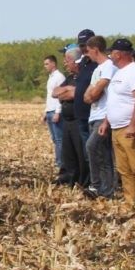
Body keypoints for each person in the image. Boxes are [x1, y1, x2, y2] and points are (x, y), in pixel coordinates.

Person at [105, 39, 135, 208]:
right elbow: (114, 100)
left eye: (112, 52)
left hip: (129, 127)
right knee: (123, 168)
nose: (110, 55)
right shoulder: (118, 72)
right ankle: (130, 200)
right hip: (116, 127)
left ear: (119, 54)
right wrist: (106, 121)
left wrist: (133, 124)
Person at [82, 36, 117, 198]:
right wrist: (91, 95)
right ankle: (106, 190)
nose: (87, 55)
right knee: (102, 154)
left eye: (88, 51)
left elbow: (95, 93)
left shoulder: (109, 66)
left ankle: (97, 186)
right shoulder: (97, 69)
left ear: (95, 50)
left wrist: (92, 94)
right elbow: (87, 95)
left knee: (92, 147)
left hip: (103, 116)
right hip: (94, 115)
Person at [54, 46, 89, 186]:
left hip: (78, 120)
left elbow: (77, 94)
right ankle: (69, 179)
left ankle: (83, 181)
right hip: (67, 121)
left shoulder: (83, 76)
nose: (65, 63)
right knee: (68, 153)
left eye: (67, 60)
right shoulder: (69, 78)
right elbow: (55, 92)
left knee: (81, 153)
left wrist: (69, 92)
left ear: (75, 61)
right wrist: (68, 90)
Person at [72, 29, 97, 148]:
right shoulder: (81, 63)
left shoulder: (100, 63)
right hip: (81, 115)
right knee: (87, 153)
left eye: (85, 45)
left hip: (93, 114)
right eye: (81, 45)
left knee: (95, 151)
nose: (83, 48)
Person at [43, 55, 65, 166]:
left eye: (47, 64)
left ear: (53, 64)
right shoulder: (50, 77)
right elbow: (49, 96)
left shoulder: (59, 77)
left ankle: (61, 163)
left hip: (56, 112)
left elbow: (61, 95)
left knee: (59, 139)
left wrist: (58, 112)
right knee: (55, 139)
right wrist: (45, 112)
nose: (45, 66)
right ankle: (59, 161)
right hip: (50, 111)